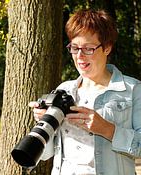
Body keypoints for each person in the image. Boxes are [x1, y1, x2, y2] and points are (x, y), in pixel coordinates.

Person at [29, 9, 141, 175]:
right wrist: (44, 121)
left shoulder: (132, 89)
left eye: (88, 48)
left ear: (107, 48)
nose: (80, 56)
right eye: (75, 48)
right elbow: (47, 155)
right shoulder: (64, 90)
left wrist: (107, 129)